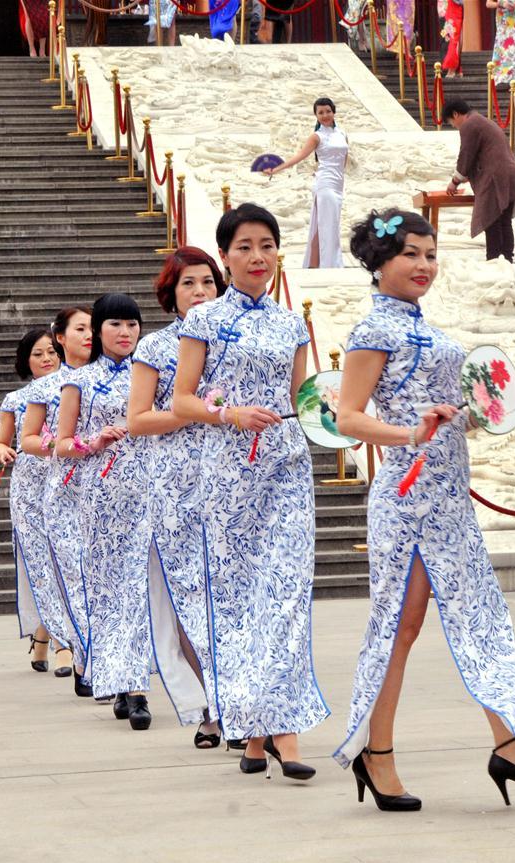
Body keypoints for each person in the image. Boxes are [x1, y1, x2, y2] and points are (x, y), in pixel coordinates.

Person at [332, 207, 515, 811]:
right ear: (380, 261)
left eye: (431, 253)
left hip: (449, 497)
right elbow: (348, 417)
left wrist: (490, 411)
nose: (424, 265)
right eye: (410, 253)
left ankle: (510, 744)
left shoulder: (425, 327)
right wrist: (410, 434)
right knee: (402, 628)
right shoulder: (373, 331)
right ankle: (378, 753)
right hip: (408, 497)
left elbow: (443, 410)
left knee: (478, 616)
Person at [173, 203, 330, 780]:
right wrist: (229, 413)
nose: (257, 256)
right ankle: (256, 733)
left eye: (266, 244)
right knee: (240, 604)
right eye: (244, 246)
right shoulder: (205, 320)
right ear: (224, 255)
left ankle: (282, 736)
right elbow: (183, 401)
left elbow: (300, 401)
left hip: (286, 470)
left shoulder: (292, 322)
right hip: (228, 473)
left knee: (286, 597)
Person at [127, 247, 228, 748]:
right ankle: (207, 706)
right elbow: (138, 420)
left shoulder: (236, 340)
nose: (200, 292)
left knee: (230, 597)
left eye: (207, 282)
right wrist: (198, 411)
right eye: (188, 283)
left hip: (234, 483)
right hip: (175, 487)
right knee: (189, 599)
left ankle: (243, 705)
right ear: (171, 293)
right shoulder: (155, 348)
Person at [56, 294, 163, 730]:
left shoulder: (153, 374)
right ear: (98, 331)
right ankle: (119, 677)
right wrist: (93, 441)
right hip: (100, 497)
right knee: (108, 590)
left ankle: (137, 689)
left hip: (149, 492)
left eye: (133, 325)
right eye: (116, 324)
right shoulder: (79, 383)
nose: (126, 333)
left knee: (140, 587)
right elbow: (62, 445)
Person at [21, 307, 94, 698]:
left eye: (92, 327)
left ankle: (109, 662)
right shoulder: (44, 389)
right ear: (61, 337)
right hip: (64, 492)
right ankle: (79, 654)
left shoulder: (119, 377)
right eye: (80, 328)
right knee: (74, 577)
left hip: (112, 492)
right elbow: (28, 440)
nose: (89, 334)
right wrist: (63, 444)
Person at [0, 328, 74, 676]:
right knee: (41, 564)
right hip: (29, 487)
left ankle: (49, 639)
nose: (46, 359)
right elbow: (2, 440)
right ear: (27, 360)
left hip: (67, 481)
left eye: (51, 353)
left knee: (65, 560)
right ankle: (59, 643)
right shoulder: (15, 399)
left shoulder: (75, 389)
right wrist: (4, 450)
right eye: (38, 354)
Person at [265, 98, 348, 269]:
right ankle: (331, 265)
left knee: (328, 224)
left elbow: (343, 160)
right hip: (324, 184)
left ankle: (316, 264)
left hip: (338, 183)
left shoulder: (342, 134)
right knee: (328, 225)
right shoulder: (316, 136)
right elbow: (300, 156)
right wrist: (277, 168)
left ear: (333, 112)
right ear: (316, 116)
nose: (325, 115)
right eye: (321, 113)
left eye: (328, 111)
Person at [444, 98, 515, 263]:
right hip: (509, 174)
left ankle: (494, 260)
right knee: (504, 221)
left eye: (452, 122)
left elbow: (466, 155)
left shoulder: (470, 124)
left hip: (495, 177)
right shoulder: (481, 120)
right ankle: (507, 260)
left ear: (455, 114)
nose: (455, 126)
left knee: (492, 219)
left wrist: (455, 181)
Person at [441, 0, 464, 77]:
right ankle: (455, 68)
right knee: (450, 38)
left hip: (454, 10)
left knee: (454, 39)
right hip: (450, 10)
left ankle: (452, 68)